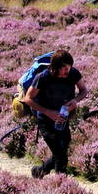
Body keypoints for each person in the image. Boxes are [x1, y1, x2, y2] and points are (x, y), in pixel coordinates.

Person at [21, 49, 87, 177]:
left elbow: (83, 90)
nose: (67, 71)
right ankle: (61, 186)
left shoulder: (73, 74)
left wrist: (75, 100)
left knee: (63, 148)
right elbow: (27, 99)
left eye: (69, 67)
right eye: (64, 68)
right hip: (45, 120)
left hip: (63, 118)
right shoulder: (43, 77)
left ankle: (39, 171)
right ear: (56, 67)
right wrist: (48, 112)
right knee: (61, 157)